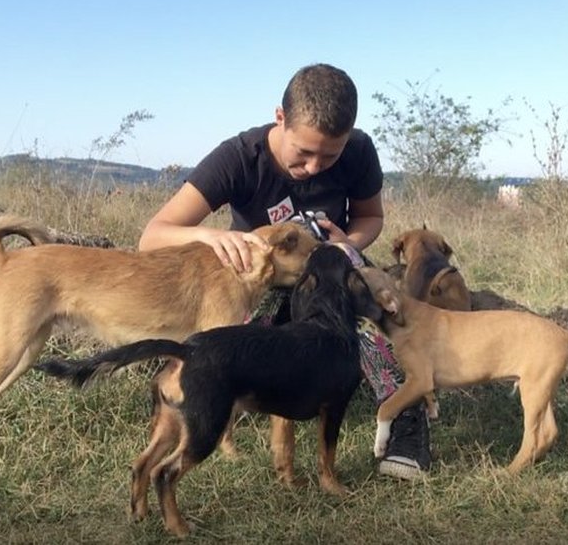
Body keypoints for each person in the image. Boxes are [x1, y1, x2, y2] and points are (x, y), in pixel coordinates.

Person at [138, 63, 431, 480]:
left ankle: (405, 421)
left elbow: (371, 217)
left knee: (382, 318)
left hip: (328, 272)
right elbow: (153, 236)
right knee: (224, 348)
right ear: (280, 118)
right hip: (261, 281)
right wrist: (209, 236)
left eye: (329, 156)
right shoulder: (239, 157)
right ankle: (213, 410)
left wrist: (348, 243)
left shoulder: (360, 150)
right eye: (303, 153)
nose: (314, 167)